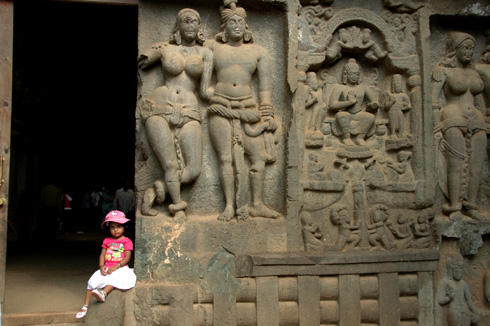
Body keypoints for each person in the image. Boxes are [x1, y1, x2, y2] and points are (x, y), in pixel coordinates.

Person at [206, 0, 280, 221]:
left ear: (246, 26)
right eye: (232, 22)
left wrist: (267, 115)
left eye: (241, 22)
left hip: (249, 109)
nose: (237, 25)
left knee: (258, 157)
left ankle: (256, 203)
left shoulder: (259, 52)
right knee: (225, 159)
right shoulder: (212, 48)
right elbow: (202, 82)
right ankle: (229, 206)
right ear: (224, 27)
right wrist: (214, 96)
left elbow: (265, 91)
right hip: (221, 109)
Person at [138, 8, 213, 218]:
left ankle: (157, 190)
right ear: (178, 26)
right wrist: (155, 49)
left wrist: (232, 98)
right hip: (159, 107)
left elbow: (206, 92)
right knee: (170, 163)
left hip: (190, 110)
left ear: (200, 28)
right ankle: (178, 206)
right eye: (186, 21)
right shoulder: (165, 49)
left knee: (194, 169)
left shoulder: (206, 53)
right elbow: (142, 61)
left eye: (195, 22)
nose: (190, 26)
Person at [432, 31, 487, 220]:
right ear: (455, 49)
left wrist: (486, 119)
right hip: (453, 118)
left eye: (472, 48)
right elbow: (432, 99)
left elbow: (480, 102)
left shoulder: (474, 73)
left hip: (477, 120)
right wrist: (435, 123)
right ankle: (455, 206)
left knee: (476, 165)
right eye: (465, 47)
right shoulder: (443, 71)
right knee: (455, 163)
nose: (469, 52)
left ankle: (471, 205)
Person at [75, 210, 137, 319]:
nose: (116, 230)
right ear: (109, 228)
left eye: (118, 226)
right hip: (107, 267)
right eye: (112, 227)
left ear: (124, 227)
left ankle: (103, 293)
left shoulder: (127, 241)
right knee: (91, 281)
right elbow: (102, 254)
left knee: (116, 279)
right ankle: (85, 306)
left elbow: (127, 258)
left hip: (120, 267)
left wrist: (116, 266)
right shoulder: (107, 241)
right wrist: (101, 266)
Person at [328, 58, 379, 146]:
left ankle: (360, 138)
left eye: (356, 74)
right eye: (351, 74)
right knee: (342, 115)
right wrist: (349, 102)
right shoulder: (339, 88)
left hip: (359, 113)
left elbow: (375, 102)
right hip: (346, 112)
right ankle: (346, 138)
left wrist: (372, 106)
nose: (354, 76)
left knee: (369, 117)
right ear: (345, 74)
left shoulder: (363, 88)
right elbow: (332, 105)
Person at [437, 253, 479, 325]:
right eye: (456, 270)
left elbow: (469, 300)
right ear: (451, 270)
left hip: (465, 311)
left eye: (460, 270)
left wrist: (475, 312)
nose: (459, 272)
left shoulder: (464, 284)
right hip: (454, 311)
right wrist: (449, 297)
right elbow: (440, 300)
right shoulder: (446, 283)